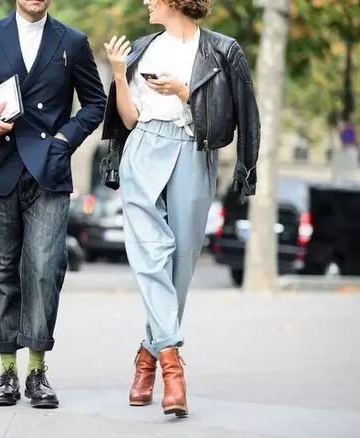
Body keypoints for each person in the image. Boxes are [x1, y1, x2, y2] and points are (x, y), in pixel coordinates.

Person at [100, 0, 260, 417]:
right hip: (143, 148)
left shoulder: (222, 50)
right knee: (149, 253)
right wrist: (118, 72)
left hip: (194, 151)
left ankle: (147, 355)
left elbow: (234, 118)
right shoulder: (143, 47)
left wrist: (185, 92)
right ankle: (172, 365)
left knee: (181, 263)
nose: (145, 3)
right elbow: (129, 119)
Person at [0, 0, 106, 409]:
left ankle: (37, 370)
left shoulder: (73, 41)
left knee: (44, 268)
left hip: (48, 171)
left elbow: (95, 103)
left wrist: (64, 140)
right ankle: (6, 371)